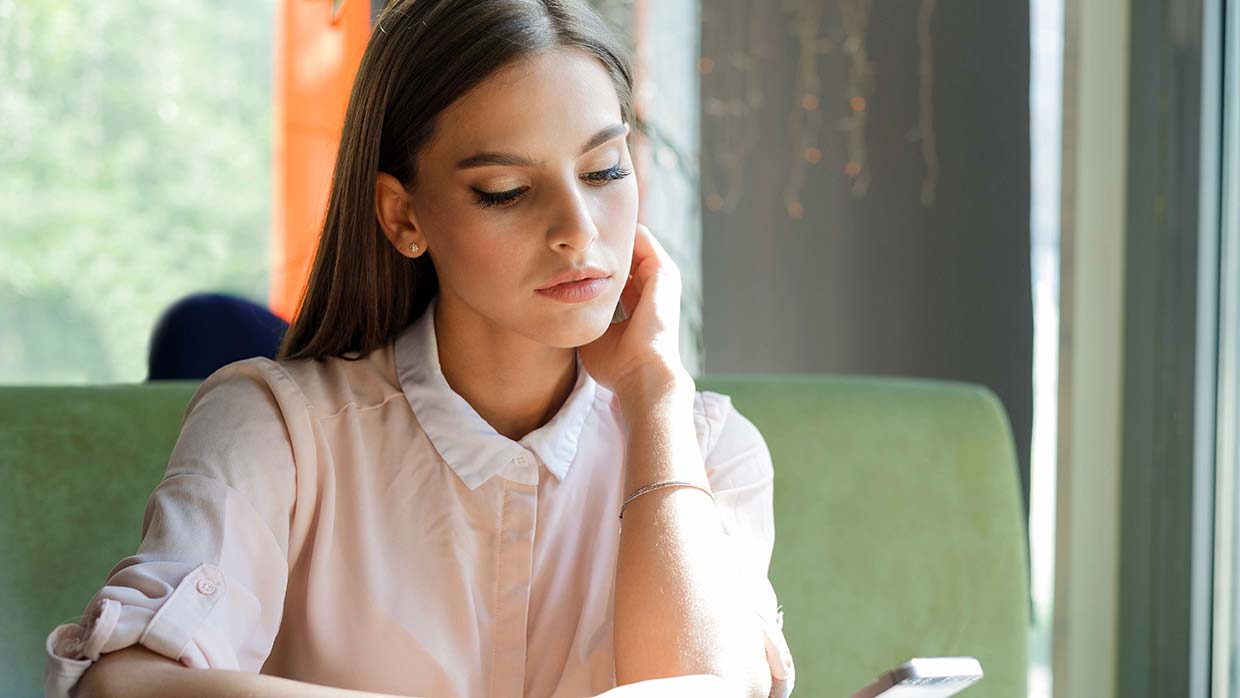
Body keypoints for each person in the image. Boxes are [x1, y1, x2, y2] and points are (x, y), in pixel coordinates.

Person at [43, 1, 796, 696]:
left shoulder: (709, 450)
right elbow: (124, 683)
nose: (579, 228)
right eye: (505, 189)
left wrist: (654, 390)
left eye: (604, 170)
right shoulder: (279, 428)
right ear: (404, 216)